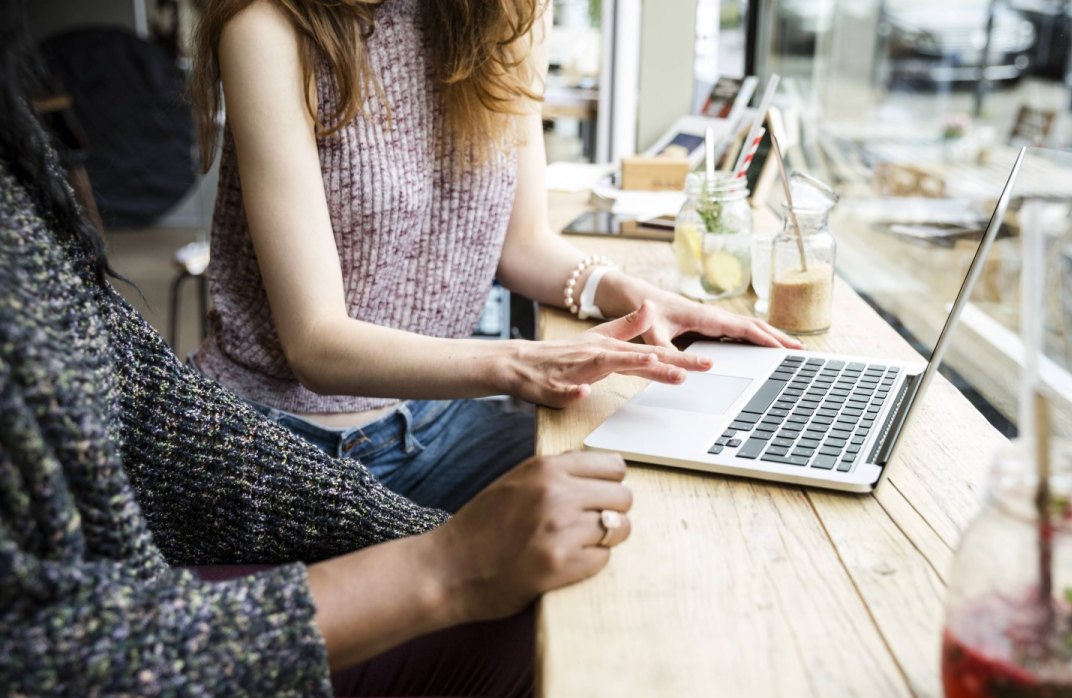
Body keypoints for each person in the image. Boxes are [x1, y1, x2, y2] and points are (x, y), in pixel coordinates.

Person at [0, 4, 631, 698]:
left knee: (582, 583)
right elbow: (39, 685)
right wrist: (449, 557)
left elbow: (153, 412)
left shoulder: (500, 19)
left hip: (399, 441)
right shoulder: (267, 27)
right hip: (250, 475)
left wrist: (618, 291)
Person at [189, 0, 801, 512]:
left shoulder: (506, 15)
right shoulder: (267, 26)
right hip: (282, 447)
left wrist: (635, 296)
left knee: (663, 491)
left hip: (435, 420)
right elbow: (316, 346)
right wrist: (524, 363)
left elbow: (522, 243)